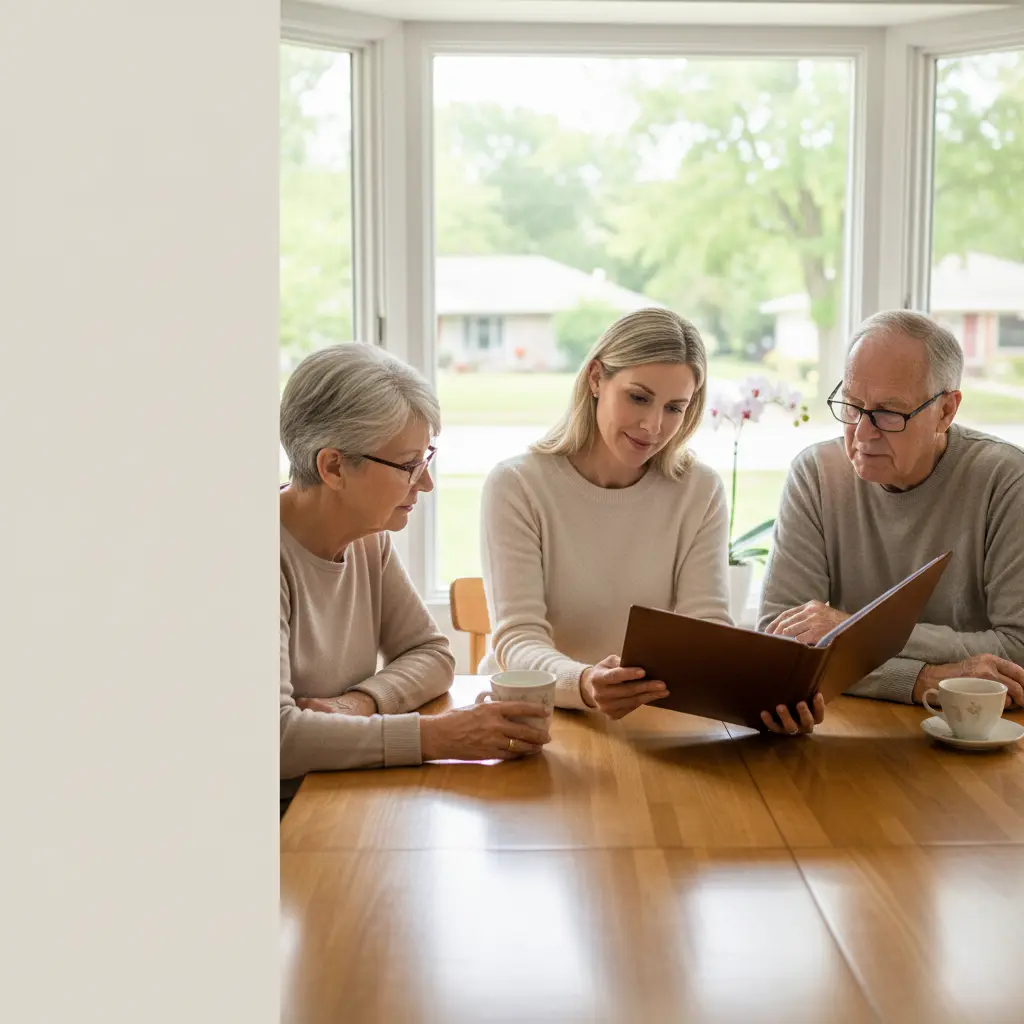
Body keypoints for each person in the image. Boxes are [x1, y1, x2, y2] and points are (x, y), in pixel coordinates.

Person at [279, 344, 551, 810]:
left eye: (426, 458)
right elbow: (279, 739)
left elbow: (431, 653)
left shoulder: (367, 538)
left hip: (338, 795)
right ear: (333, 467)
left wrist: (362, 702)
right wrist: (436, 737)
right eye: (408, 465)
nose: (425, 482)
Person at [479, 307, 769, 723]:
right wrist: (584, 683)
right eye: (639, 398)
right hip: (537, 717)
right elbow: (517, 639)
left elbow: (705, 628)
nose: (653, 425)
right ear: (596, 378)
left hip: (652, 720)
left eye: (675, 408)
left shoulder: (699, 491)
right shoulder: (517, 485)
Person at [758, 310, 1024, 734]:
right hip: (852, 731)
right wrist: (920, 680)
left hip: (978, 737)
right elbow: (782, 650)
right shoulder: (816, 474)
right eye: (852, 405)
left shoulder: (1006, 480)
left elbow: (1016, 652)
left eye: (888, 413)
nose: (862, 433)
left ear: (945, 411)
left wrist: (847, 630)